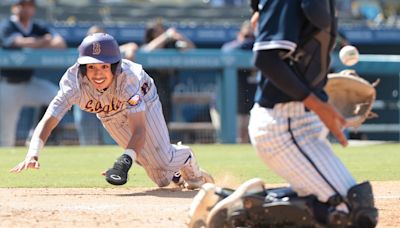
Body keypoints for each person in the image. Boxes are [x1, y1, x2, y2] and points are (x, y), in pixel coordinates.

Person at [189, 0, 378, 227]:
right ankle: (238, 213)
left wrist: (321, 93)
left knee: (348, 206)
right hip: (285, 125)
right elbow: (266, 59)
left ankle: (227, 201)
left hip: (301, 122)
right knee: (351, 214)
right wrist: (319, 104)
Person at [10, 33, 214, 190]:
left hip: (145, 100)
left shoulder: (129, 79)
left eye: (104, 67)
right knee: (161, 179)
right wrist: (33, 153)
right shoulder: (73, 83)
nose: (97, 74)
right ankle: (173, 172)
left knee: (158, 158)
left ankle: (186, 158)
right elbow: (49, 120)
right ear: (82, 68)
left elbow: (140, 130)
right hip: (108, 112)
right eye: (91, 67)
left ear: (115, 67)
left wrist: (123, 162)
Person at [0, 0, 67, 147]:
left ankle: (34, 133)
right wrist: (43, 41)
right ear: (14, 7)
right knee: (6, 136)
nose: (26, 8)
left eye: (29, 5)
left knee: (56, 97)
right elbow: (17, 42)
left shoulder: (36, 26)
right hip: (8, 85)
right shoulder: (7, 25)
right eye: (22, 4)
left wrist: (36, 42)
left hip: (28, 83)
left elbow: (60, 43)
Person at [73, 25, 139, 145]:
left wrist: (128, 49)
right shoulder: (84, 52)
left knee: (112, 141)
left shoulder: (112, 52)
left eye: (100, 37)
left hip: (109, 99)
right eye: (93, 37)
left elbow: (131, 46)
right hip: (88, 99)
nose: (97, 42)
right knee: (89, 142)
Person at [141, 18, 196, 123]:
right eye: (156, 31)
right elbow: (147, 50)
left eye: (161, 30)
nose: (160, 33)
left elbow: (192, 48)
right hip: (148, 93)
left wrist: (179, 36)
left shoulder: (169, 46)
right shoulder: (147, 46)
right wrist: (166, 36)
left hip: (165, 90)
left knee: (165, 121)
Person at [221, 20, 257, 143]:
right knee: (232, 138)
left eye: (252, 37)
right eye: (246, 36)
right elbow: (226, 51)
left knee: (248, 138)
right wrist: (244, 44)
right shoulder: (232, 47)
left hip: (251, 101)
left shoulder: (258, 49)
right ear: (239, 35)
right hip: (232, 102)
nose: (250, 41)